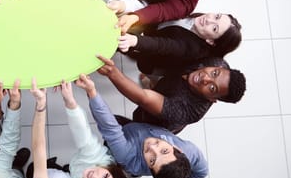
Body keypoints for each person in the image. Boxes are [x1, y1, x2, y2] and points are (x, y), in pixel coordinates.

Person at [26, 79, 131, 178]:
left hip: (43, 175)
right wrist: (70, 102)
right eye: (105, 175)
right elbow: (84, 137)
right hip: (67, 175)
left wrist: (41, 105)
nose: (94, 177)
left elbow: (39, 147)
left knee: (35, 168)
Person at [75, 74, 208, 178]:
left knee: (113, 123)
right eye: (164, 151)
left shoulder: (126, 155)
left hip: (126, 139)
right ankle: (150, 86)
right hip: (147, 128)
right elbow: (202, 173)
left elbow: (109, 127)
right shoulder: (190, 151)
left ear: (150, 169)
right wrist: (181, 174)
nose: (151, 148)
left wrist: (91, 90)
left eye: (152, 160)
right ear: (177, 149)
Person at [96, 55, 246, 134]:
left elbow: (144, 98)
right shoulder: (217, 62)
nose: (205, 79)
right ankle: (154, 85)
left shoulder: (186, 111)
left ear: (212, 99)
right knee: (161, 82)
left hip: (157, 121)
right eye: (214, 73)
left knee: (137, 122)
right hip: (171, 82)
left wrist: (113, 73)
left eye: (212, 88)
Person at [118, 12, 242, 75]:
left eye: (214, 28)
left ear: (211, 41)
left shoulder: (191, 49)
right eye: (217, 16)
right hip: (158, 33)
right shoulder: (198, 22)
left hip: (156, 56)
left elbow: (164, 45)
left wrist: (135, 41)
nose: (208, 20)